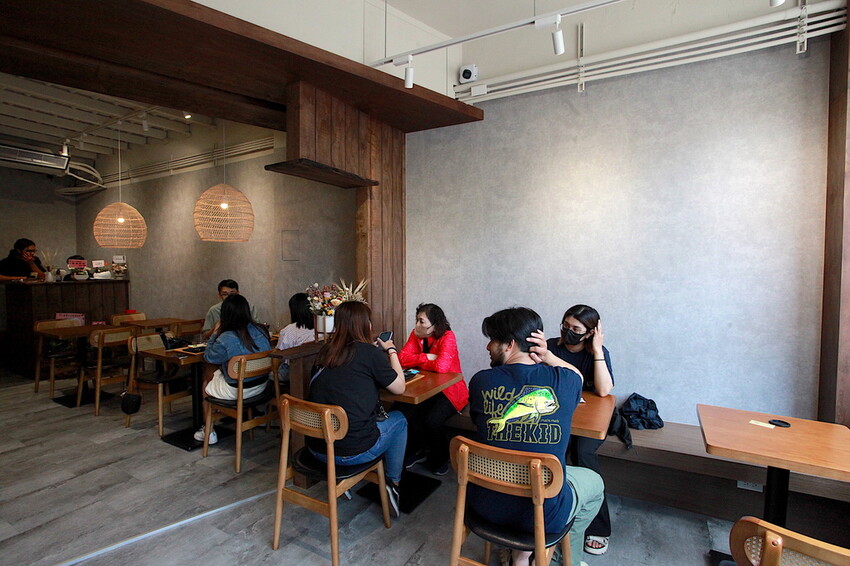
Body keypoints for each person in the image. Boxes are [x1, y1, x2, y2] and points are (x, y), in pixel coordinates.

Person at [468, 306, 604, 566]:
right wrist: (548, 356)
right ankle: (558, 558)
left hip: (483, 505)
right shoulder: (565, 381)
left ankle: (520, 555)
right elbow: (577, 376)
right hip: (542, 515)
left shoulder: (481, 381)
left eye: (492, 340)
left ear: (509, 344)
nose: (488, 347)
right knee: (595, 483)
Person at [307, 301, 407, 518]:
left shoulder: (325, 352)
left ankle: (342, 480)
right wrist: (391, 350)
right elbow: (399, 387)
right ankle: (394, 483)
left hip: (317, 449)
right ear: (365, 325)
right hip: (352, 453)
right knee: (400, 420)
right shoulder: (369, 353)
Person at [547, 304, 614, 556]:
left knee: (583, 452)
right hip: (558, 412)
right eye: (566, 326)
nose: (568, 332)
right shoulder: (550, 347)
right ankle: (552, 515)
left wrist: (597, 350)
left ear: (590, 333)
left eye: (576, 329)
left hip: (593, 416)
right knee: (553, 449)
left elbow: (604, 391)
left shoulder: (597, 352)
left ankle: (599, 526)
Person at [397, 303, 468, 475]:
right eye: (417, 320)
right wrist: (427, 357)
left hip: (450, 390)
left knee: (432, 420)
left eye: (421, 321)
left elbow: (442, 367)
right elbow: (401, 359)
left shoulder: (448, 336)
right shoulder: (416, 335)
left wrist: (417, 360)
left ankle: (440, 459)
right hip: (424, 387)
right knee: (403, 411)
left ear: (435, 325)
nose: (417, 325)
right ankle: (416, 451)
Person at [196, 294, 271, 445]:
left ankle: (209, 431)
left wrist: (215, 334)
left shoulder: (225, 338)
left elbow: (208, 356)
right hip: (262, 386)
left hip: (239, 390)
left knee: (206, 379)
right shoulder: (261, 330)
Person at [275, 292, 316, 381]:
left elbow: (278, 355)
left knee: (268, 373)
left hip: (294, 371)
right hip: (314, 370)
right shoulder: (320, 326)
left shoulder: (289, 330)